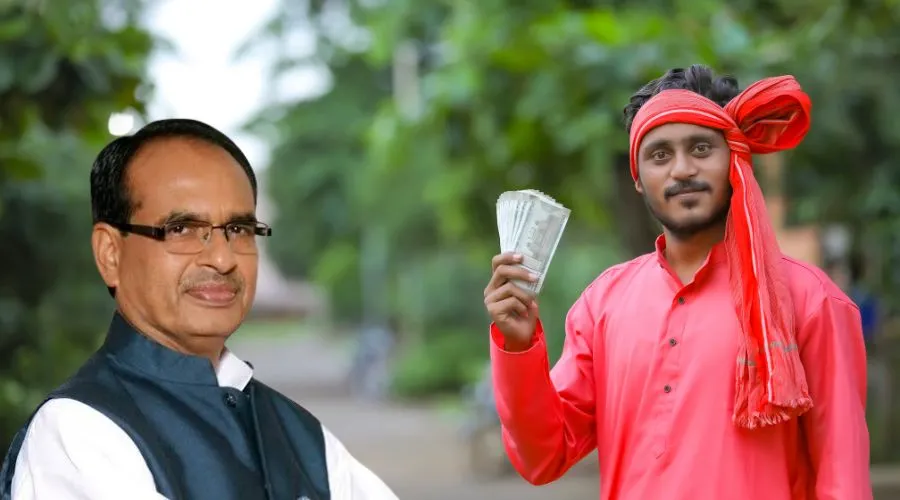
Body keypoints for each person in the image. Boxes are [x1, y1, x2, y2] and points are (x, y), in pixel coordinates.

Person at [483, 66, 871, 499]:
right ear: (637, 179)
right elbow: (541, 457)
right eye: (660, 155)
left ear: (736, 159)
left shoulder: (811, 301)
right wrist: (517, 347)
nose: (682, 169)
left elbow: (844, 480)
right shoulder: (604, 304)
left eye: (701, 148)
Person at [0, 119, 399, 500]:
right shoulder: (80, 431)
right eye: (182, 229)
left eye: (239, 230)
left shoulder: (300, 436)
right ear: (110, 253)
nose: (223, 258)